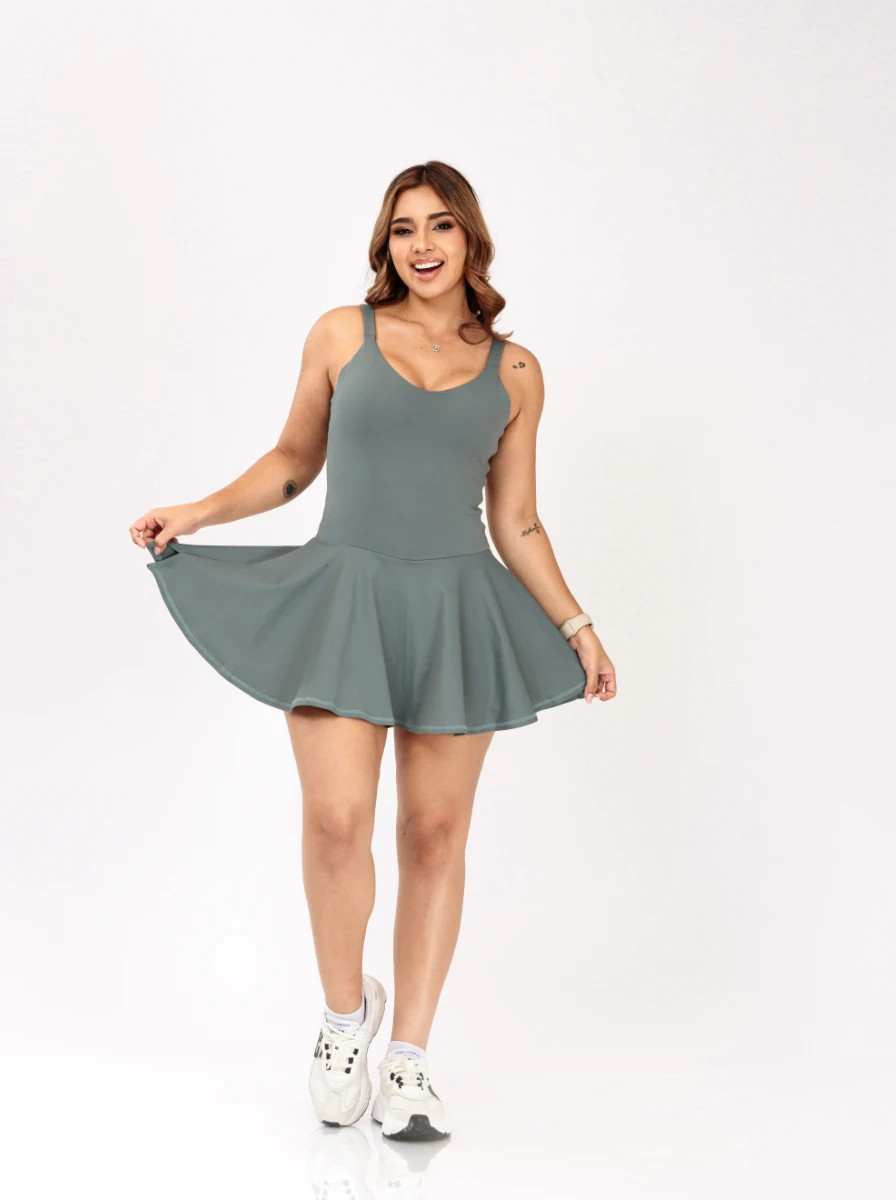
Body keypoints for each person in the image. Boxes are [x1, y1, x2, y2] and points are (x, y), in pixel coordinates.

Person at [128, 160, 617, 1141]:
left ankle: (410, 1061)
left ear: (472, 238)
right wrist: (199, 511)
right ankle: (345, 1020)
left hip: (454, 609)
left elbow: (517, 520)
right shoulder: (339, 335)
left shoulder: (516, 371)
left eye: (441, 225)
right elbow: (292, 462)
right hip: (345, 598)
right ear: (385, 243)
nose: (422, 245)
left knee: (434, 836)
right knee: (335, 823)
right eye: (404, 228)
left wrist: (578, 626)